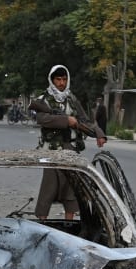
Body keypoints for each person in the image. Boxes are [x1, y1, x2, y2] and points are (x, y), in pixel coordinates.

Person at [29, 64, 107, 220]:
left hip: (70, 148)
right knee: (49, 188)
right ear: (52, 80)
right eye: (58, 79)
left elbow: (84, 120)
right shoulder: (43, 100)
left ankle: (69, 224)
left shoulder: (71, 99)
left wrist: (99, 134)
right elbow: (43, 119)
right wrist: (67, 120)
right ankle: (42, 223)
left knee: (70, 188)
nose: (61, 83)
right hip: (51, 149)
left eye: (64, 79)